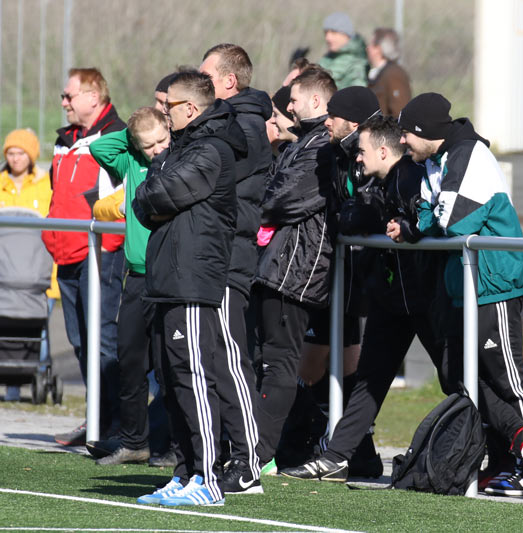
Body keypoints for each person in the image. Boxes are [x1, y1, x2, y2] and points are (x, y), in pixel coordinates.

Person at [398, 93, 523, 497]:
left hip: (493, 283)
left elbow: (451, 220)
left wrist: (422, 222)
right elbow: (426, 215)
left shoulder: (468, 154)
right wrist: (420, 222)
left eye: (406, 133)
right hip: (464, 287)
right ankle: (505, 456)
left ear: (424, 131)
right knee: (462, 375)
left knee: (504, 374)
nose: (401, 141)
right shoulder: (435, 161)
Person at [281, 114, 451, 481]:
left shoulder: (408, 177)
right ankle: (337, 456)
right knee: (369, 381)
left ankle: (501, 451)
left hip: (423, 300)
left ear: (383, 151)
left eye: (362, 151)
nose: (357, 158)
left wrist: (393, 224)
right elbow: (359, 218)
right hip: (392, 301)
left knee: (456, 377)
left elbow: (423, 222)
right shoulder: (384, 181)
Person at [133, 71, 245, 507]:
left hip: (192, 282)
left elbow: (159, 194)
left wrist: (154, 192)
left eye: (170, 106)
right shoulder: (183, 148)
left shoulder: (211, 149)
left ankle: (208, 478)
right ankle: (184, 475)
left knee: (194, 378)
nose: (163, 112)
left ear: (192, 109)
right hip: (169, 280)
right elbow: (144, 200)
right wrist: (154, 191)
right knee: (172, 381)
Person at [277, 86, 382, 476]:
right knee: (343, 365)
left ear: (351, 122)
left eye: (333, 116)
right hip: (342, 275)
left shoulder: (362, 154)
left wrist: (348, 220)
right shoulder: (336, 152)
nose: (326, 122)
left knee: (313, 367)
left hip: (351, 276)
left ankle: (319, 443)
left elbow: (364, 207)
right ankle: (355, 452)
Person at [251, 67, 337, 475]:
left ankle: (261, 453)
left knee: (280, 364)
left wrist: (255, 205)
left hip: (296, 273)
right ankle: (260, 447)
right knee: (262, 360)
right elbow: (272, 192)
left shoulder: (322, 147)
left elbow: (278, 201)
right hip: (277, 267)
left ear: (317, 101)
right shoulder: (303, 142)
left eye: (295, 100)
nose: (288, 107)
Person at [199, 42, 271, 494]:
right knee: (207, 359)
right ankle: (220, 454)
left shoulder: (245, 125)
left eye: (206, 77)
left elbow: (213, 174)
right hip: (210, 256)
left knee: (229, 358)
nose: (199, 85)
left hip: (230, 257)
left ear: (229, 81)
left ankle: (248, 462)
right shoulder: (226, 121)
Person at [45, 68, 126, 446]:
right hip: (67, 254)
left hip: (100, 255)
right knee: (79, 340)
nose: (63, 102)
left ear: (93, 97)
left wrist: (109, 245)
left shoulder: (116, 138)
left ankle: (119, 425)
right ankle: (96, 419)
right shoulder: (64, 141)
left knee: (103, 340)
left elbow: (122, 196)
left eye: (69, 95)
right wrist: (51, 236)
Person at [88, 107, 170, 465]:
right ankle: (135, 441)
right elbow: (99, 149)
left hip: (168, 279)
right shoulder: (132, 162)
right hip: (136, 277)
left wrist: (156, 133)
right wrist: (133, 132)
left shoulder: (178, 160)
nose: (156, 149)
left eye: (161, 140)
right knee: (130, 360)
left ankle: (173, 443)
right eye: (148, 145)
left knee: (170, 366)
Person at [0, 129, 55, 402]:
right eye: (10, 153)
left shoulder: (46, 185)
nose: (15, 158)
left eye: (21, 153)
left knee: (37, 330)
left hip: (39, 273)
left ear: (31, 155)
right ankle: (10, 386)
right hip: (5, 274)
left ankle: (36, 374)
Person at [366, 28, 411, 118]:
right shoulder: (377, 73)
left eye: (371, 45)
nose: (367, 48)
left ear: (378, 49)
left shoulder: (394, 74)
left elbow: (399, 113)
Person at [319, 12, 368, 89]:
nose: (328, 38)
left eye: (333, 32)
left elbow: (358, 94)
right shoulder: (326, 59)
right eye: (326, 33)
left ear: (346, 35)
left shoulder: (357, 63)